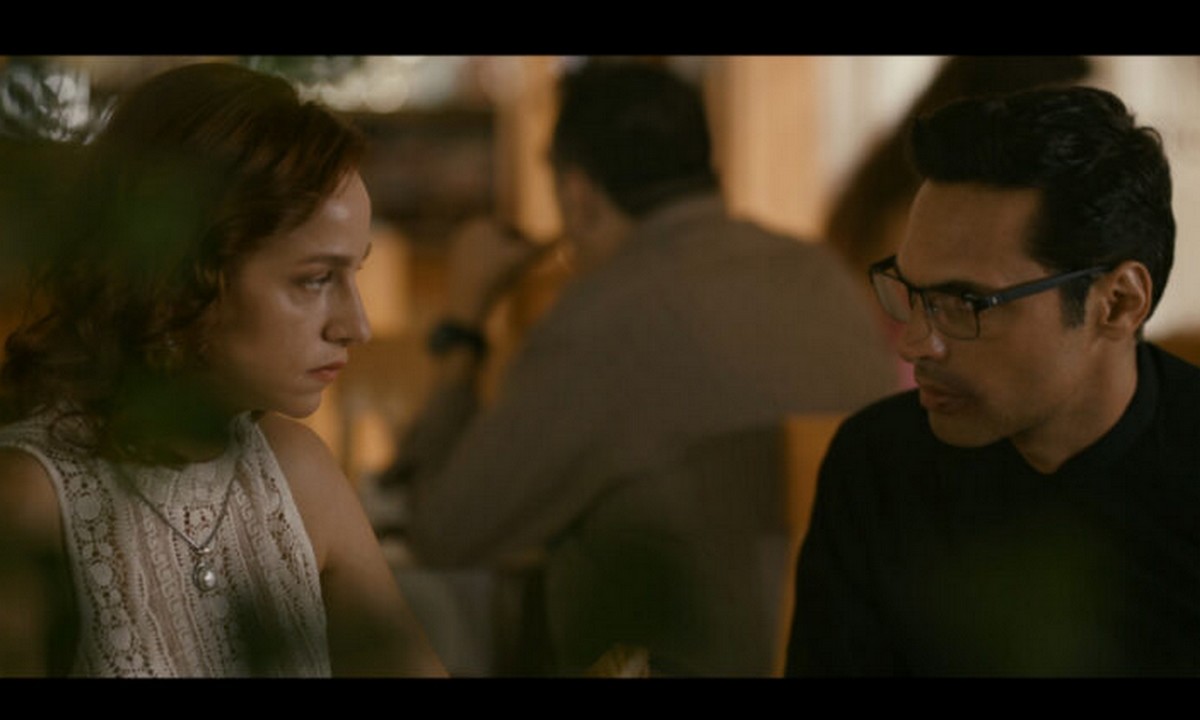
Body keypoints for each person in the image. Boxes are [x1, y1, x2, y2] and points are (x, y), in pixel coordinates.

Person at [384, 59, 898, 676]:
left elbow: (444, 533)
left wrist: (465, 320)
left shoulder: (598, 319)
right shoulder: (824, 276)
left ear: (578, 195)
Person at [0, 62, 445, 677]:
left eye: (355, 272)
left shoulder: (298, 471)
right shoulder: (31, 497)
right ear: (182, 276)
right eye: (316, 279)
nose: (356, 325)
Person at [786, 85, 1200, 676]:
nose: (915, 343)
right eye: (912, 293)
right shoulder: (879, 466)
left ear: (1118, 303)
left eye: (965, 303)